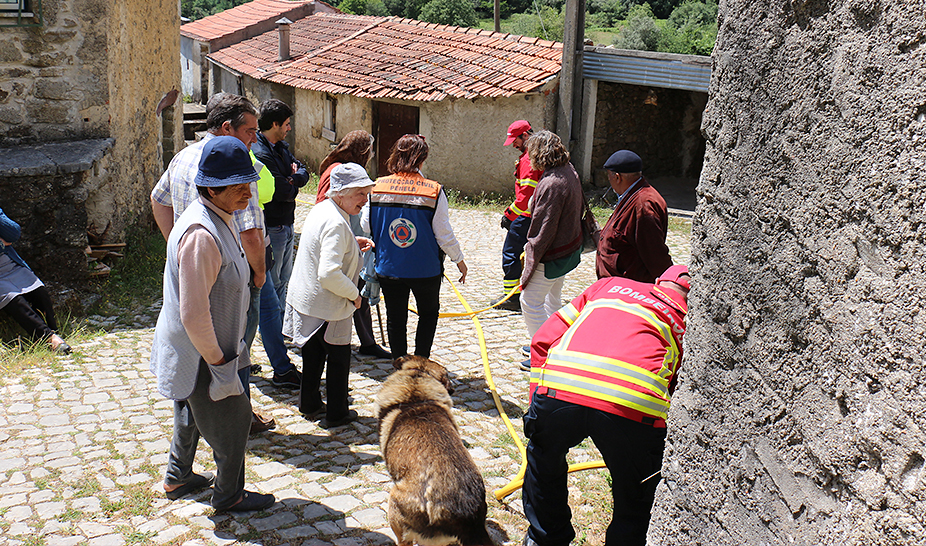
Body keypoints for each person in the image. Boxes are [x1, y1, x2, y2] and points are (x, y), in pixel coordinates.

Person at [150, 93, 296, 434]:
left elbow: (158, 201)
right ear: (227, 127)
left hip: (195, 269)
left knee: (197, 347)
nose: (252, 139)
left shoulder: (183, 157)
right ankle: (235, 418)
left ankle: (196, 424)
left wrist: (176, 248)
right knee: (234, 353)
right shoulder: (234, 168)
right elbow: (249, 233)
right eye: (249, 131)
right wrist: (259, 274)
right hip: (232, 273)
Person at [521, 265, 690, 546]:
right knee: (637, 491)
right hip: (634, 407)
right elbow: (680, 380)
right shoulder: (688, 319)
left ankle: (543, 539)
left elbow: (542, 340)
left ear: (658, 281)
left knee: (543, 460)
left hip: (560, 388)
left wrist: (537, 405)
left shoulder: (608, 286)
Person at [150, 136, 275, 512]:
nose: (246, 191)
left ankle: (178, 476)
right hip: (204, 350)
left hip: (209, 347)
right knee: (234, 420)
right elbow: (193, 312)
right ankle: (229, 494)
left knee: (190, 409)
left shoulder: (222, 217)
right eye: (236, 185)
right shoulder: (201, 235)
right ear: (210, 188)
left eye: (247, 181)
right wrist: (219, 362)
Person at [361, 134, 468, 359]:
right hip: (425, 269)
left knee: (395, 317)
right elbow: (443, 233)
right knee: (428, 314)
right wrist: (459, 260)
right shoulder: (433, 190)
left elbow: (365, 224)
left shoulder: (377, 186)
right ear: (422, 158)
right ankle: (420, 361)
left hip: (389, 267)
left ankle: (400, 363)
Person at [285, 163, 374, 428]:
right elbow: (329, 273)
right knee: (338, 359)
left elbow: (324, 246)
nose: (364, 200)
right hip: (328, 303)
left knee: (312, 354)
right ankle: (337, 414)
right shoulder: (336, 221)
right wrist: (355, 295)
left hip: (308, 301)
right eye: (360, 193)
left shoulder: (324, 209)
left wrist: (351, 243)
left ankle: (309, 403)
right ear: (342, 192)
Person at [316, 130, 391, 360]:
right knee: (346, 292)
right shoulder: (336, 171)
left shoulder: (348, 168)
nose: (370, 155)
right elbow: (325, 206)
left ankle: (366, 341)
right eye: (368, 151)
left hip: (353, 241)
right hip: (341, 242)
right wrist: (343, 235)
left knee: (360, 290)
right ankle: (325, 344)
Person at [518, 130, 584, 371]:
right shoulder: (569, 170)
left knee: (530, 300)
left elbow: (543, 228)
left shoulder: (551, 183)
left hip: (554, 254)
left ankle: (544, 354)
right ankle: (556, 343)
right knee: (551, 300)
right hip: (567, 250)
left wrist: (531, 256)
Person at [251, 98, 309, 306]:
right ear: (275, 124)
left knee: (284, 280)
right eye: (286, 124)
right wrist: (292, 182)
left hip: (287, 222)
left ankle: (281, 323)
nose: (289, 128)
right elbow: (282, 191)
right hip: (272, 225)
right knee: (273, 281)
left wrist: (292, 179)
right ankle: (271, 327)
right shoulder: (260, 153)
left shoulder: (281, 147)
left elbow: (303, 170)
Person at [596, 150, 672, 283]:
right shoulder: (633, 195)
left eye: (609, 177)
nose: (609, 181)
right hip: (616, 284)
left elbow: (654, 252)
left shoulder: (643, 205)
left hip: (628, 287)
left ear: (618, 177)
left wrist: (668, 282)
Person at [0, 208, 70, 354]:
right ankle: (51, 340)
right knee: (15, 300)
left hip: (11, 266)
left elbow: (13, 234)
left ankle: (52, 333)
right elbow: (4, 243)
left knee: (40, 293)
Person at [492, 120, 542, 314]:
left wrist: (508, 215)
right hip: (534, 215)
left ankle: (512, 298)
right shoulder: (534, 155)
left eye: (516, 140)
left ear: (526, 136)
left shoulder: (529, 159)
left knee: (511, 254)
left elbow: (525, 197)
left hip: (525, 216)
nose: (513, 144)